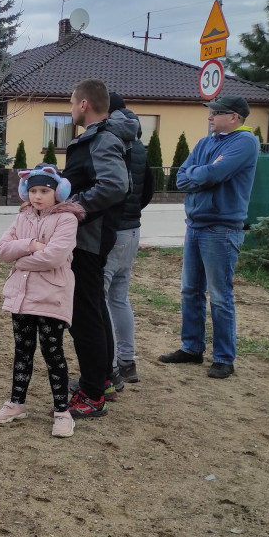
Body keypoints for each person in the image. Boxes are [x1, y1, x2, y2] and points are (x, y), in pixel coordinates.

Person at [158, 95, 259, 380]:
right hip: (196, 225)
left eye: (215, 113)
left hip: (222, 228)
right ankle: (192, 348)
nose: (209, 117)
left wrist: (202, 175)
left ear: (234, 117)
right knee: (190, 290)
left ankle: (224, 358)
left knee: (219, 295)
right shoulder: (205, 143)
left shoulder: (244, 142)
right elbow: (181, 178)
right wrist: (202, 175)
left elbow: (216, 173)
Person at [0, 165, 85, 438]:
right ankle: (16, 403)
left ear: (58, 192)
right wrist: (31, 245)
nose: (38, 196)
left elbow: (55, 257)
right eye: (33, 191)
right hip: (21, 295)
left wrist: (19, 259)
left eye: (44, 191)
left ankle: (61, 411)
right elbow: (2, 249)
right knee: (23, 350)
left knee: (52, 352)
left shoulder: (67, 219)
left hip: (51, 295)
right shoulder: (22, 217)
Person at [62, 79, 134, 419]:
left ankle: (92, 394)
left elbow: (116, 185)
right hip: (92, 235)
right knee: (94, 309)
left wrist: (77, 206)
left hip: (88, 239)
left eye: (72, 103)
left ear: (85, 105)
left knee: (84, 314)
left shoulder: (102, 139)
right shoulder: (101, 138)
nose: (70, 109)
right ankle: (102, 379)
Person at [102, 93, 154, 384]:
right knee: (119, 299)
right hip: (133, 228)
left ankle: (107, 366)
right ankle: (127, 361)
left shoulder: (112, 141)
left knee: (100, 301)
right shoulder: (139, 143)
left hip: (113, 231)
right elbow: (146, 189)